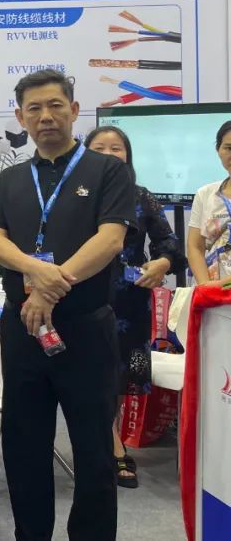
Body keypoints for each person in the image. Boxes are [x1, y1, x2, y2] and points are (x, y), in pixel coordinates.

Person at [0, 69, 134, 540]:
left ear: (74, 110)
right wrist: (36, 270)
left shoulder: (108, 170)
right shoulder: (12, 178)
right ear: (20, 118)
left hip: (85, 328)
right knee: (25, 448)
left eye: (55, 105)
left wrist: (48, 289)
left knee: (93, 451)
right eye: (34, 108)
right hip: (23, 330)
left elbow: (110, 240)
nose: (45, 116)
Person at [85, 125, 184, 489]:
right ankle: (109, 444)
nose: (109, 154)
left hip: (128, 301)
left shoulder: (140, 196)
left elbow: (169, 243)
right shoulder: (74, 194)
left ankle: (108, 440)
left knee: (117, 376)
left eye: (117, 148)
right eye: (100, 148)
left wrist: (161, 263)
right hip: (82, 295)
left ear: (128, 155)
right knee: (90, 373)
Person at [186, 119, 231, 285]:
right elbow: (195, 247)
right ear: (218, 150)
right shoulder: (205, 194)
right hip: (211, 292)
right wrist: (206, 286)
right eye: (228, 148)